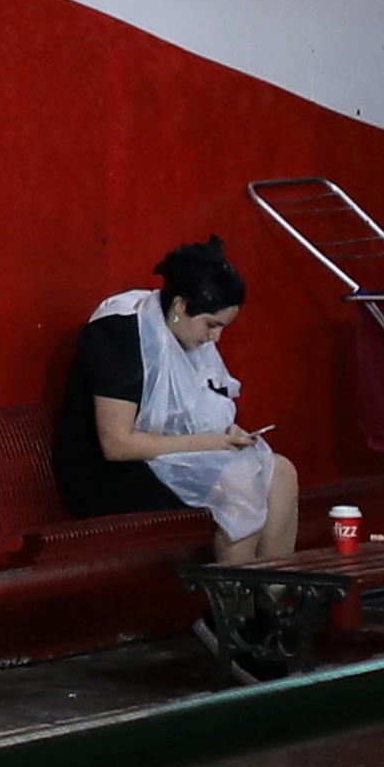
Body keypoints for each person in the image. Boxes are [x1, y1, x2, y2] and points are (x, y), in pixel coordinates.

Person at [54, 235, 298, 558]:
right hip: (108, 477)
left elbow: (193, 416)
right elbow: (116, 445)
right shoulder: (120, 332)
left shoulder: (186, 334)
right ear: (180, 306)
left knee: (281, 474)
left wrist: (226, 434)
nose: (216, 337)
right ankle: (234, 606)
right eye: (211, 325)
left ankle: (273, 600)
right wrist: (210, 443)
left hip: (164, 459)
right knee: (239, 481)